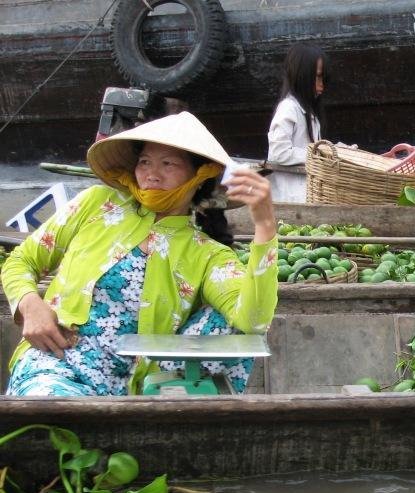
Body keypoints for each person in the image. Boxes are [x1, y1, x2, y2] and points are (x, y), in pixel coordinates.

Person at [1, 111, 278, 396]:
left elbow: (253, 320)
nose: (151, 174)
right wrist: (29, 304)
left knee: (233, 322)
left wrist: (266, 226)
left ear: (199, 175)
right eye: (144, 162)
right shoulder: (97, 205)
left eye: (167, 163)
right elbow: (22, 260)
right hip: (54, 365)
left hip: (133, 389)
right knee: (58, 411)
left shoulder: (207, 254)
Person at [267, 44, 327, 203]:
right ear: (301, 76)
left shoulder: (308, 112)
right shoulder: (288, 108)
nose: (321, 85)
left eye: (322, 78)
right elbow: (280, 152)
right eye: (317, 77)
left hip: (306, 190)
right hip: (291, 197)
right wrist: (318, 155)